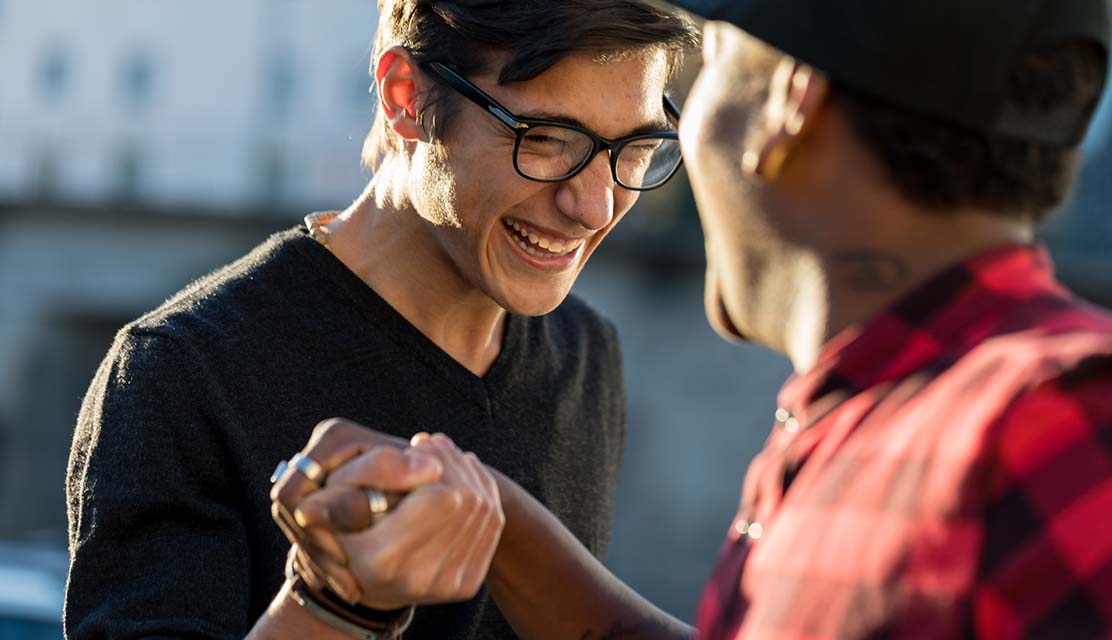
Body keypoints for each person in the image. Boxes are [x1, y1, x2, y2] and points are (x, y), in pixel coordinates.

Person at [279, 0, 1112, 638]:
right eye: (546, 137)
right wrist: (489, 517)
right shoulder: (886, 422)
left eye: (715, 58)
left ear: (788, 100)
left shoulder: (1070, 426)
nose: (593, 200)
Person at [64, 1, 697, 638]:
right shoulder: (178, 372)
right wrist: (331, 602)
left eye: (636, 147)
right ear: (404, 97)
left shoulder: (585, 351)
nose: (594, 206)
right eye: (547, 140)